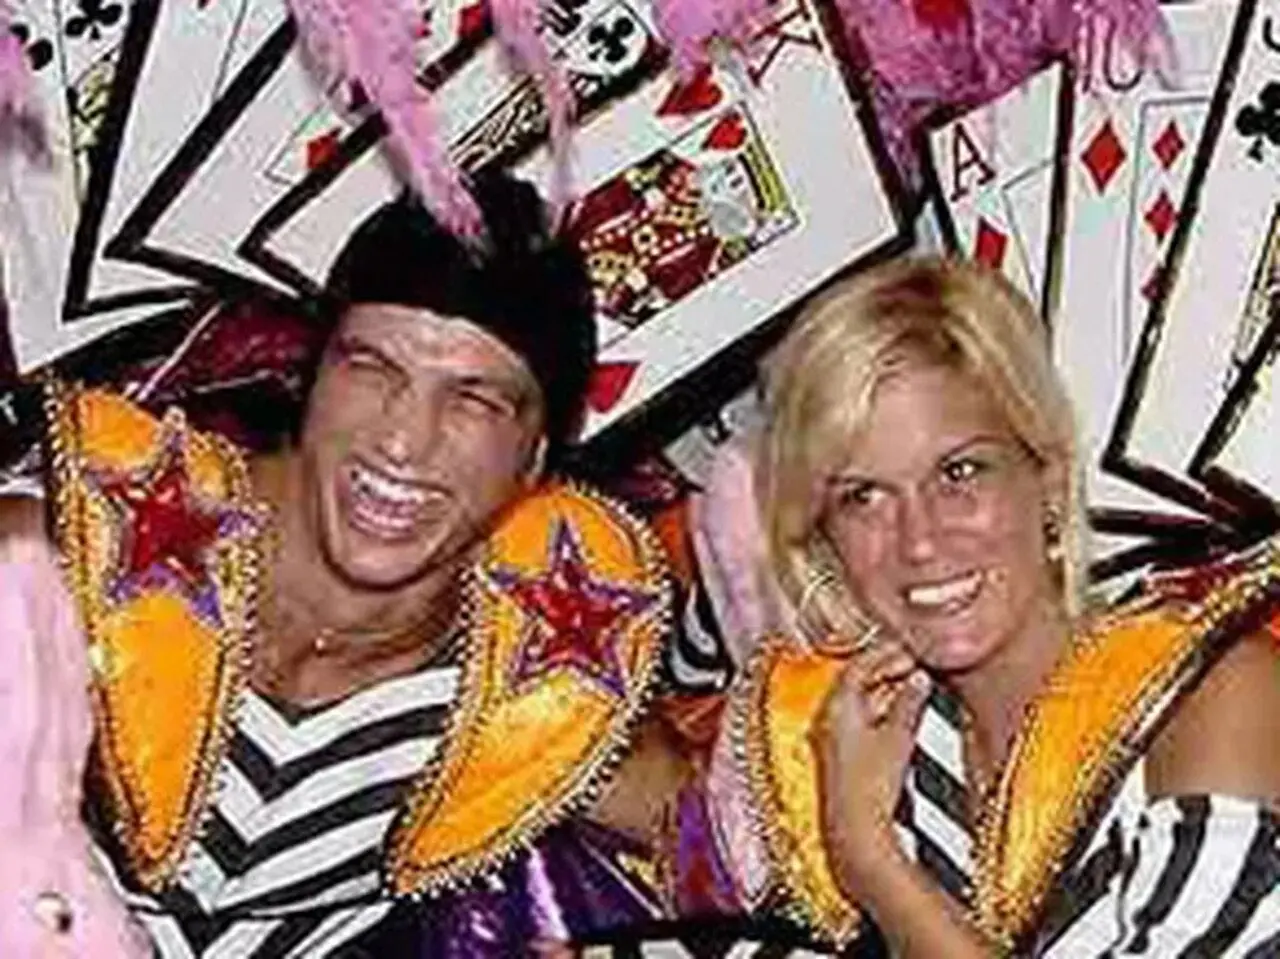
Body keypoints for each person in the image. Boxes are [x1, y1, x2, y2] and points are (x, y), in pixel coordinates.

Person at [0, 171, 689, 956]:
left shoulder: (543, 687)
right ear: (312, 377)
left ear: (536, 456)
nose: (401, 439)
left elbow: (741, 857)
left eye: (473, 400)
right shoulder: (76, 539)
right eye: (372, 368)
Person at [677, 256, 1280, 956]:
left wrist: (872, 862)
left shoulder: (1213, 697)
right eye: (862, 496)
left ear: (1048, 480)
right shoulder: (876, 743)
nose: (921, 541)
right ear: (826, 542)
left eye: (960, 472)